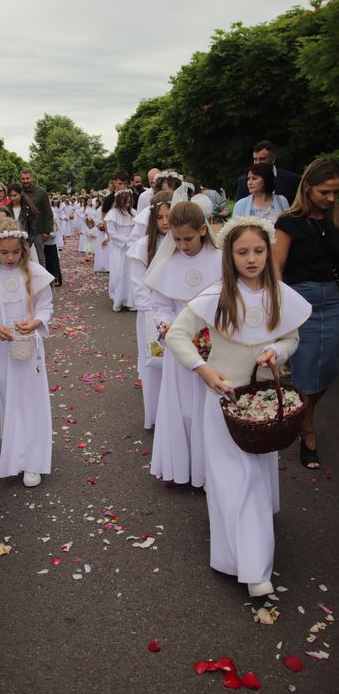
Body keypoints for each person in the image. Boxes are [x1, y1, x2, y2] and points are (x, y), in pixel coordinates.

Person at [166, 217, 310, 597]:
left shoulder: (279, 293)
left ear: (268, 252)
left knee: (256, 477)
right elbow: (178, 335)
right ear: (229, 255)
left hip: (262, 404)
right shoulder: (216, 295)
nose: (251, 259)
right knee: (235, 481)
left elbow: (291, 338)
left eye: (258, 251)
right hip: (224, 398)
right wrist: (203, 368)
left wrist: (276, 350)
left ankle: (247, 549)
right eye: (242, 251)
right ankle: (252, 567)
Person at [145, 199, 222, 488]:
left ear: (203, 230)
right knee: (182, 409)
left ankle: (208, 472)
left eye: (188, 238)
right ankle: (181, 468)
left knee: (208, 409)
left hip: (215, 343)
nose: (182, 244)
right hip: (180, 344)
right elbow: (160, 304)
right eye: (175, 239)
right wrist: (167, 328)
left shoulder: (220, 259)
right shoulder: (168, 262)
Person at [274, 157, 339, 469]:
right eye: (325, 192)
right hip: (303, 305)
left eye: (335, 192)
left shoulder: (336, 218)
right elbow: (276, 268)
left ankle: (304, 414)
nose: (330, 198)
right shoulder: (288, 222)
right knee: (305, 369)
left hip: (335, 300)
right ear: (308, 187)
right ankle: (306, 426)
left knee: (329, 368)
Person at [0, 219, 54, 487]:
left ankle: (33, 460)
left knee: (31, 397)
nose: (10, 257)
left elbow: (45, 306)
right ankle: (15, 454)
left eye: (15, 251)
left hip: (29, 344)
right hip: (2, 347)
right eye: (4, 252)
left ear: (23, 249)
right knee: (8, 397)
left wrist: (36, 321)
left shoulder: (34, 273)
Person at [127, 192, 172, 429]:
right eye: (160, 217)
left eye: (169, 216)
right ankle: (155, 416)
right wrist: (154, 319)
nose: (165, 222)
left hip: (177, 313)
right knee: (155, 365)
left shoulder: (182, 242)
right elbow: (139, 286)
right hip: (151, 315)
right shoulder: (142, 247)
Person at [235, 141, 300, 205]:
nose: (258, 163)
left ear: (273, 159)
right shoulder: (243, 182)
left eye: (262, 159)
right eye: (255, 159)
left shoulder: (292, 180)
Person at [105, 186, 136, 312]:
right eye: (125, 202)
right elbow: (112, 233)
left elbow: (137, 229)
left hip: (131, 247)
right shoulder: (112, 214)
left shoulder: (133, 213)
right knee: (119, 273)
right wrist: (126, 241)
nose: (127, 204)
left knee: (130, 274)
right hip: (118, 248)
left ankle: (130, 300)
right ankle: (118, 300)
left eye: (129, 201)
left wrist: (133, 240)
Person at [19, 169, 54, 267]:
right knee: (23, 258)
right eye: (23, 179)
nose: (25, 181)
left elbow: (48, 212)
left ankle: (43, 282)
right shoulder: (18, 192)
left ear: (32, 178)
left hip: (38, 230)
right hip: (23, 231)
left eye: (27, 178)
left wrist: (47, 231)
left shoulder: (41, 192)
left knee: (40, 258)